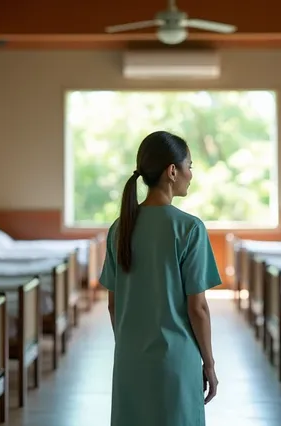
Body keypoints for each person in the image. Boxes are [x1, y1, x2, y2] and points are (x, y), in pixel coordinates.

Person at [99, 130, 222, 426]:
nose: (190, 174)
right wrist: (209, 363)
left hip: (129, 361)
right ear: (172, 171)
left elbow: (114, 305)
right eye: (189, 166)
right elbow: (198, 308)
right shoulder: (189, 229)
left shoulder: (120, 228)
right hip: (175, 361)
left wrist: (130, 346)